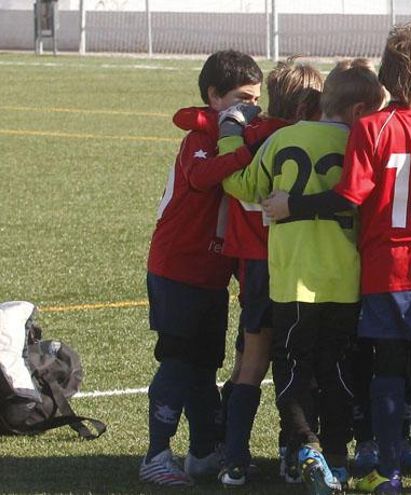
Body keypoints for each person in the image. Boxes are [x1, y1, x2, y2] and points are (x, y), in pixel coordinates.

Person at [265, 22, 411, 493]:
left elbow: (350, 198)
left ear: (388, 78)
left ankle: (387, 471)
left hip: (386, 269)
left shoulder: (374, 127)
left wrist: (295, 205)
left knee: (389, 367)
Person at [224, 59, 386, 495]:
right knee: (337, 369)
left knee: (292, 367)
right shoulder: (360, 143)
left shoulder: (282, 139)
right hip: (344, 279)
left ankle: (304, 446)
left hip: (291, 279)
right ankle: (335, 453)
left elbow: (239, 185)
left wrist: (228, 138)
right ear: (358, 112)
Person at [140, 50, 262, 487]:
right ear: (213, 96)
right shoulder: (202, 135)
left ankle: (202, 452)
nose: (251, 108)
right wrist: (244, 155)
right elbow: (201, 177)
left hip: (211, 275)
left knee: (205, 365)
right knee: (178, 360)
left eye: (256, 100)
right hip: (179, 267)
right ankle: (155, 454)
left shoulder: (238, 134)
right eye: (242, 98)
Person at [213, 57, 324, 487]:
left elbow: (231, 180)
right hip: (296, 264)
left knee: (251, 362)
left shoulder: (248, 136)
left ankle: (234, 458)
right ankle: (290, 452)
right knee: (299, 362)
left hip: (255, 271)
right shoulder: (310, 142)